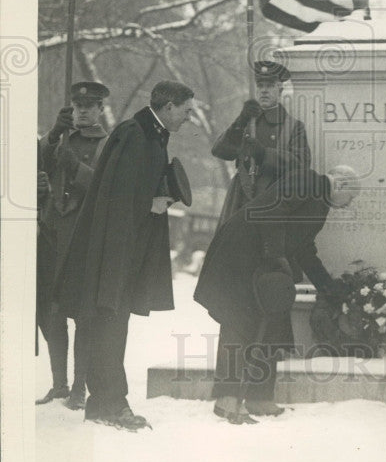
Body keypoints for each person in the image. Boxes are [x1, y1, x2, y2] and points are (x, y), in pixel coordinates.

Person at [55, 81, 195, 431]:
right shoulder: (136, 134)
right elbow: (116, 196)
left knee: (111, 326)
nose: (189, 118)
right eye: (186, 110)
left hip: (123, 248)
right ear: (168, 106)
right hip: (114, 252)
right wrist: (151, 202)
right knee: (108, 325)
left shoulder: (149, 134)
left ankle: (105, 402)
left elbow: (127, 186)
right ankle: (110, 402)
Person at [194, 164, 359, 424]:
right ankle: (227, 401)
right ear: (342, 185)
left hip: (259, 261)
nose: (348, 205)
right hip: (240, 255)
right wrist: (274, 257)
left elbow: (304, 249)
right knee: (239, 324)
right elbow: (271, 212)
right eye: (350, 198)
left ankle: (259, 398)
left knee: (273, 323)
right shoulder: (307, 179)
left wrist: (327, 287)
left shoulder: (319, 199)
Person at [36, 81, 110, 410]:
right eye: (78, 106)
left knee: (81, 314)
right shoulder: (61, 138)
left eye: (89, 106)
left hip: (83, 238)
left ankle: (80, 386)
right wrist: (53, 134)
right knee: (52, 312)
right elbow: (36, 163)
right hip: (53, 232)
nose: (82, 110)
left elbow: (104, 186)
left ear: (99, 109)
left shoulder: (107, 144)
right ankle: (59, 384)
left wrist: (74, 167)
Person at [212, 61, 310, 228]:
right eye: (260, 85)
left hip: (274, 197)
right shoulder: (247, 121)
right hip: (241, 196)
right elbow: (220, 151)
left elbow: (301, 165)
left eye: (270, 85)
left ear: (280, 90)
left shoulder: (292, 126)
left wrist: (264, 154)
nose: (264, 90)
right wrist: (240, 120)